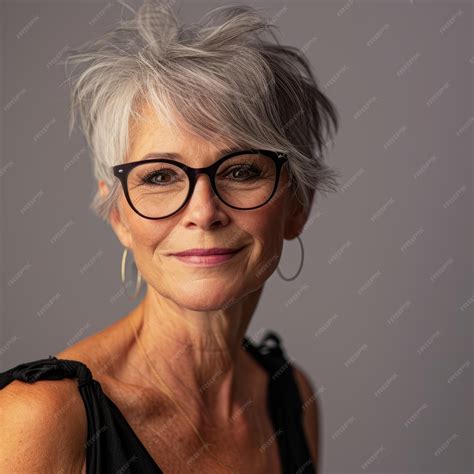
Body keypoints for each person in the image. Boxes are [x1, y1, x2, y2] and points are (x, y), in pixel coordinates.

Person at [0, 0, 340, 472]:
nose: (203, 212)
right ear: (117, 213)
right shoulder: (40, 420)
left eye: (241, 170)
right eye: (159, 176)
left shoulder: (290, 399)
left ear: (297, 205)